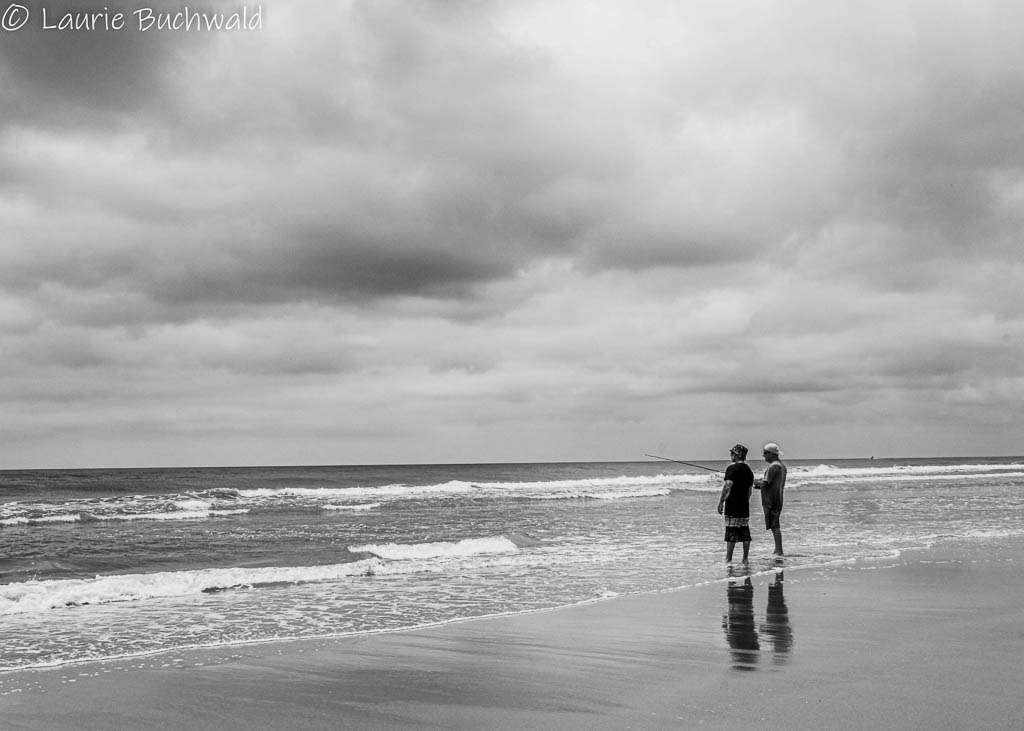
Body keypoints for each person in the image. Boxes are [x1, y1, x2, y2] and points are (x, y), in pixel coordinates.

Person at [717, 443, 754, 562]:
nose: (731, 455)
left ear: (737, 455)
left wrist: (721, 502)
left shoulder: (731, 469)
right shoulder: (749, 471)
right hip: (744, 506)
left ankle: (728, 559)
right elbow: (749, 491)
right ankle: (745, 559)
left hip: (732, 506)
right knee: (745, 532)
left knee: (731, 532)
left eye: (732, 453)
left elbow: (727, 486)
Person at [754, 442, 787, 556]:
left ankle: (779, 550)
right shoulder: (781, 465)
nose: (763, 455)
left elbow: (764, 483)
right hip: (777, 498)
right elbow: (769, 483)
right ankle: (778, 549)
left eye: (765, 453)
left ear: (771, 454)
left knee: (774, 526)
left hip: (771, 500)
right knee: (775, 525)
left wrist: (753, 481)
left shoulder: (773, 466)